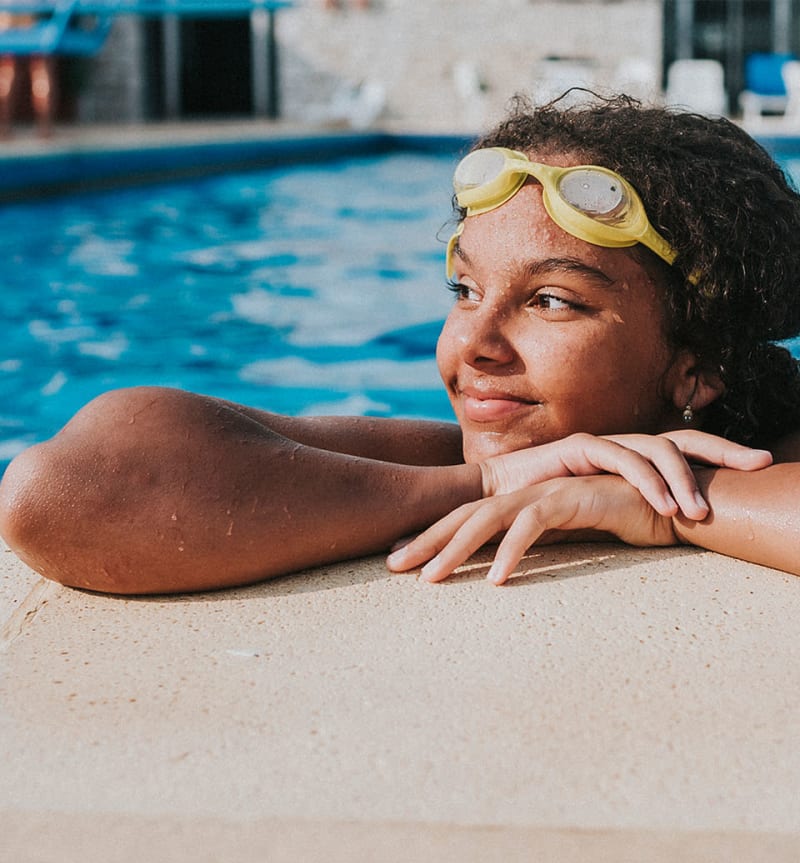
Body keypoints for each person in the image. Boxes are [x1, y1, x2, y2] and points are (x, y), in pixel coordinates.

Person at [2, 92, 800, 595]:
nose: (476, 344)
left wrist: (668, 504)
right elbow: (60, 489)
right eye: (465, 291)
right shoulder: (499, 456)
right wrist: (481, 485)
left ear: (699, 367)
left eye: (551, 301)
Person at [0, 13, 55, 139]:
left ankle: (3, 129)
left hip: (13, 15)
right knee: (39, 67)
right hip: (27, 16)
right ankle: (45, 129)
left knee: (9, 69)